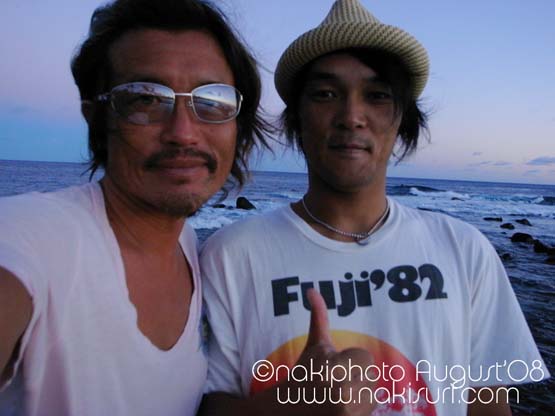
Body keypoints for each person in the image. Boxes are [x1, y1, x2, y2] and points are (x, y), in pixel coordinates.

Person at [199, 0, 550, 415]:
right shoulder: (231, 254)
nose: (351, 116)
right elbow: (209, 404)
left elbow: (486, 400)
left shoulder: (464, 248)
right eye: (325, 94)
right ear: (297, 119)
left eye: (377, 95)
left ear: (402, 120)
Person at [0, 0, 269, 415]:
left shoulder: (191, 250)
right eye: (145, 99)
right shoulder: (33, 237)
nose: (184, 133)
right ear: (97, 120)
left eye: (212, 100)